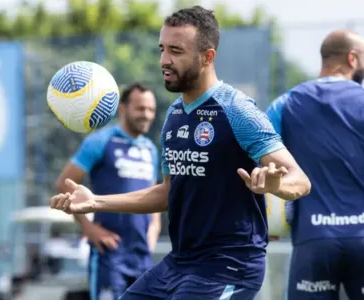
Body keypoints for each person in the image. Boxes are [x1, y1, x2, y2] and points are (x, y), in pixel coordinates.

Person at [51, 6, 311, 299]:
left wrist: (277, 185)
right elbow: (167, 192)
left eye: (176, 51)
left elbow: (300, 181)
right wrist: (95, 201)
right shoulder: (174, 115)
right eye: (162, 49)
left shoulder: (238, 111)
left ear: (207, 57)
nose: (164, 60)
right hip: (180, 262)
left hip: (229, 265)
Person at [266, 29, 364, 299]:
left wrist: (267, 222)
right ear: (352, 58)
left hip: (313, 242)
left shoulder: (285, 103)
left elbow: (258, 161)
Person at [54, 82, 161, 300]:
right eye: (140, 108)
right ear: (123, 108)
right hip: (109, 255)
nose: (147, 115)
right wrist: (89, 229)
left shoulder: (150, 149)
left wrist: (153, 232)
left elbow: (155, 197)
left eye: (151, 110)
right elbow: (64, 184)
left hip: (142, 257)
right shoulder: (100, 141)